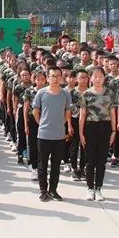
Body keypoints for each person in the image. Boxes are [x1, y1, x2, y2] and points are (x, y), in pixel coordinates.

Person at [32, 67, 73, 202]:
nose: (55, 78)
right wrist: (42, 123)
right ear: (48, 78)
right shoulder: (41, 93)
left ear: (61, 78)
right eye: (52, 76)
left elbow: (67, 112)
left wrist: (62, 123)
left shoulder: (65, 94)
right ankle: (43, 190)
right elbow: (35, 111)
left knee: (56, 165)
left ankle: (53, 190)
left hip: (59, 136)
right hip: (43, 135)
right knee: (42, 164)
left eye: (57, 76)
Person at [79, 66, 116, 201]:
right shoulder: (86, 94)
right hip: (90, 127)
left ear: (104, 78)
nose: (98, 78)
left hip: (105, 127)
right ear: (91, 78)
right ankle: (90, 188)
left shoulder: (110, 93)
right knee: (90, 160)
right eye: (95, 76)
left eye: (100, 76)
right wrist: (81, 133)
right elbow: (83, 114)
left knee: (101, 161)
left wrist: (113, 131)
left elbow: (112, 113)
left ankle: (98, 188)